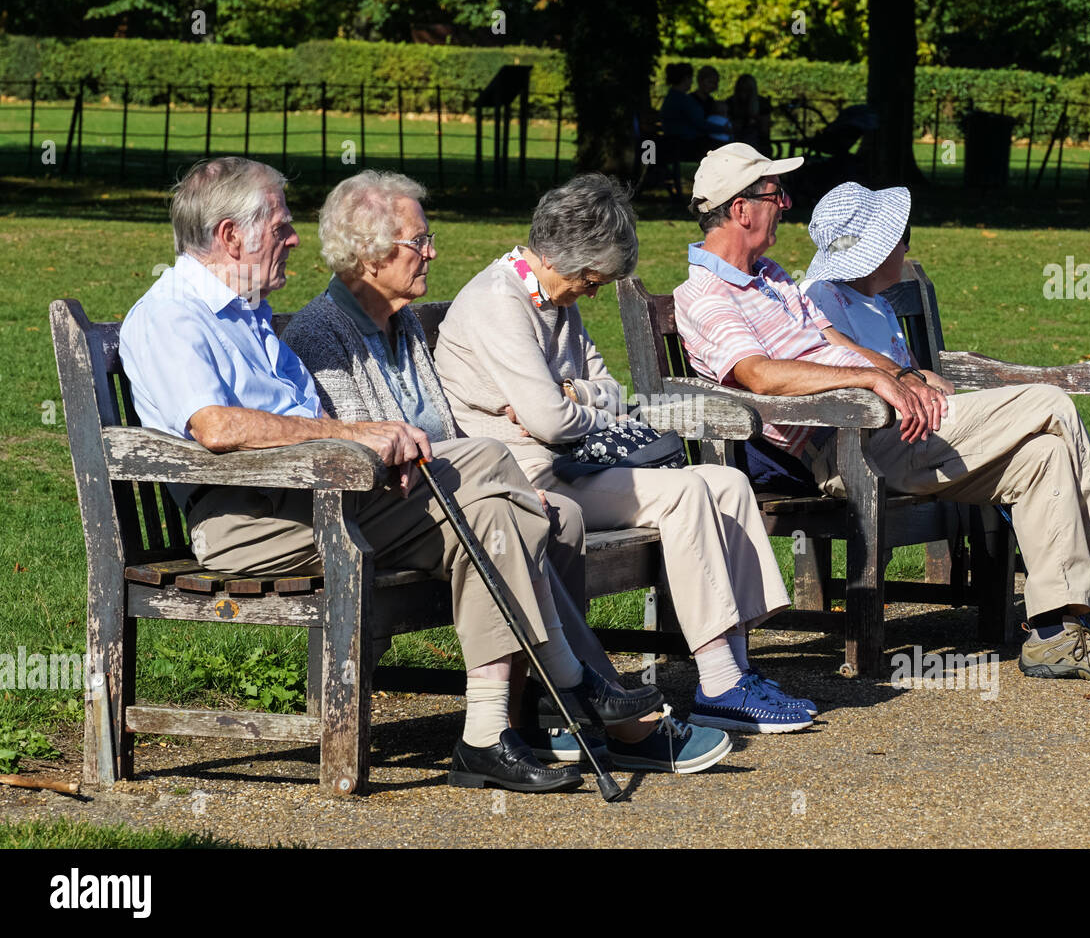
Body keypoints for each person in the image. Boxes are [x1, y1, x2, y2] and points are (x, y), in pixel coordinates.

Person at [119, 157, 661, 794]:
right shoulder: (173, 314)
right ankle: (573, 681)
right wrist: (359, 440)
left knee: (492, 512)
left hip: (319, 496)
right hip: (251, 521)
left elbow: (305, 416)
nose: (294, 239)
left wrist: (373, 459)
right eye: (282, 226)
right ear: (232, 236)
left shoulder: (248, 315)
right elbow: (214, 427)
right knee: (486, 460)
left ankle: (486, 736)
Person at [670, 145, 1090, 683]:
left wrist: (901, 375)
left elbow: (836, 341)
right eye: (775, 194)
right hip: (850, 443)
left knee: (1045, 455)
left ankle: (1053, 634)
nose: (785, 205)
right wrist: (869, 381)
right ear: (742, 209)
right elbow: (757, 374)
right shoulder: (707, 294)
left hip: (893, 428)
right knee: (1048, 402)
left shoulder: (773, 278)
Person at [279, 170, 728, 775]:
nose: (432, 252)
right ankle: (597, 705)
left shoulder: (403, 324)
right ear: (369, 252)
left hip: (435, 497)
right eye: (419, 241)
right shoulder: (320, 331)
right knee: (518, 518)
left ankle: (534, 716)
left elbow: (448, 431)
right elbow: (366, 456)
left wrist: (506, 474)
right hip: (379, 516)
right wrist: (499, 482)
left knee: (555, 514)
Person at [434, 172, 813, 735]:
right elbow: (547, 423)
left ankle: (736, 669)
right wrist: (568, 409)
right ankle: (716, 682)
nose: (592, 292)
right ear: (566, 258)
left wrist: (573, 398)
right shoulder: (498, 303)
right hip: (531, 476)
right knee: (685, 492)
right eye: (592, 279)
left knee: (728, 484)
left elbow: (605, 390)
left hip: (578, 461)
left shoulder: (558, 297)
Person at [659, 62, 711, 162]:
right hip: (685, 145)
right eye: (691, 78)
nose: (692, 82)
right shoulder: (682, 99)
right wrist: (723, 129)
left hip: (677, 143)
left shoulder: (672, 96)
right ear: (686, 78)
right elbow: (700, 123)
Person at [726, 74, 772, 154]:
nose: (744, 93)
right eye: (742, 90)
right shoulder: (731, 102)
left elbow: (764, 129)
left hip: (754, 139)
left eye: (747, 90)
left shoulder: (762, 103)